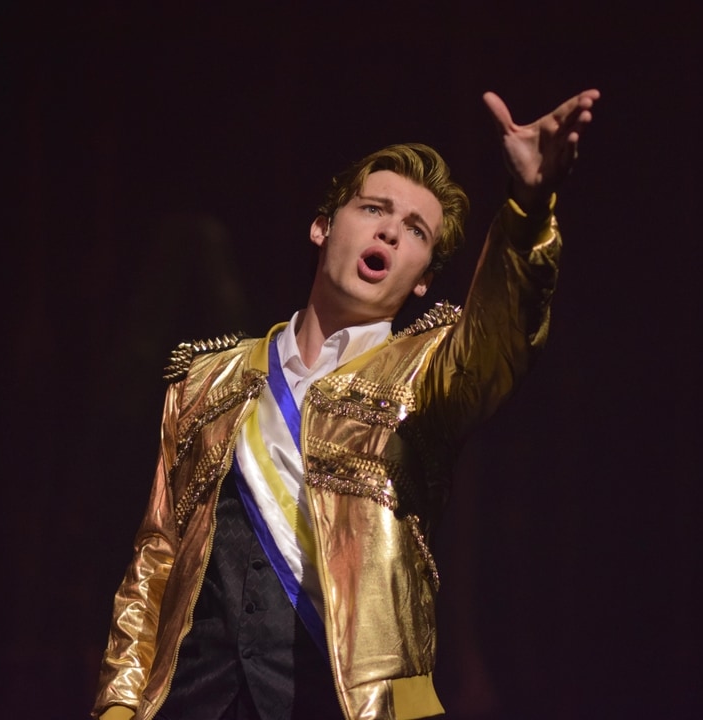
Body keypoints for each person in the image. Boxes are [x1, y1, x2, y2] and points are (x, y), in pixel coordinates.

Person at [93, 87, 600, 720]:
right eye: (373, 209)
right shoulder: (207, 380)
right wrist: (119, 706)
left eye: (415, 229)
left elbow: (501, 334)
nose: (390, 229)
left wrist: (528, 209)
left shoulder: (430, 374)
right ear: (323, 226)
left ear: (423, 278)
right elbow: (157, 555)